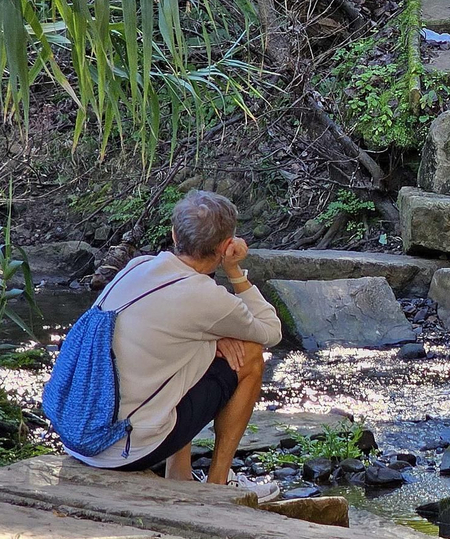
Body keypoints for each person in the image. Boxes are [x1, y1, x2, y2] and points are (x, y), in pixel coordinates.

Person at [58, 190, 283, 501]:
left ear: (175, 234)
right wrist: (234, 272)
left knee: (189, 350)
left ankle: (180, 475)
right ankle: (219, 486)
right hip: (121, 450)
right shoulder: (207, 297)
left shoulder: (137, 267)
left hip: (78, 433)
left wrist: (212, 338)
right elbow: (270, 331)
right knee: (251, 355)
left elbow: (168, 325)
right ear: (224, 246)